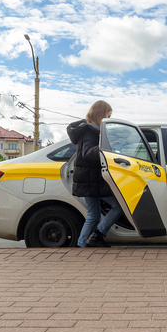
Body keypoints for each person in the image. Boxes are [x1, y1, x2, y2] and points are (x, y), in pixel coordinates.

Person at [67, 100, 123, 247]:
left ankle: (87, 241)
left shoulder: (91, 130)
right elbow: (87, 154)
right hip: (90, 180)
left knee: (95, 215)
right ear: (101, 114)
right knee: (113, 208)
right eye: (107, 116)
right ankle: (88, 240)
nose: (108, 120)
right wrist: (104, 146)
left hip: (92, 179)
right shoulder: (90, 131)